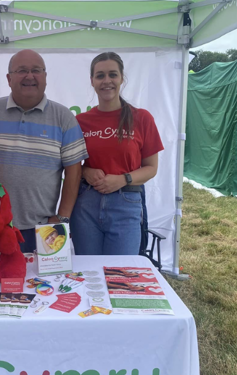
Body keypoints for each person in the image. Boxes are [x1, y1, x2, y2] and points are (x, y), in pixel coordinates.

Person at [0, 49, 88, 253]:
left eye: (36, 70)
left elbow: (74, 172)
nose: (29, 76)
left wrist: (62, 219)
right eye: (22, 70)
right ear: (9, 78)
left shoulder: (64, 117)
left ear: (45, 77)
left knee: (43, 285)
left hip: (43, 229)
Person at [70, 52, 164, 256]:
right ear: (92, 81)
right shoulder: (80, 121)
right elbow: (71, 164)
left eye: (112, 74)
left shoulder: (141, 118)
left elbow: (151, 168)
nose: (107, 81)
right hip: (86, 203)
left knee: (121, 274)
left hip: (126, 203)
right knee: (88, 270)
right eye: (100, 75)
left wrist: (124, 179)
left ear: (122, 78)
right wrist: (86, 171)